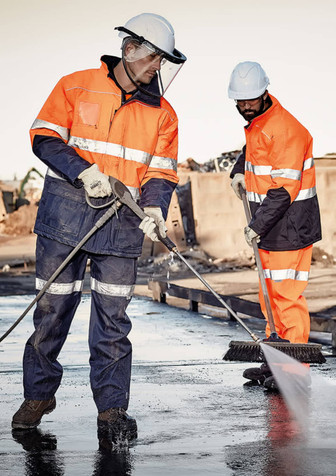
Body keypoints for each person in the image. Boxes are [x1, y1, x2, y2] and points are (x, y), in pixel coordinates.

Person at [12, 13, 186, 447]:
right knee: (52, 311)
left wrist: (155, 208)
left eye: (162, 62)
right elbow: (44, 137)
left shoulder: (164, 114)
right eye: (152, 58)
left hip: (123, 223)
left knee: (113, 322)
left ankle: (112, 410)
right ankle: (37, 396)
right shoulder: (76, 84)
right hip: (66, 217)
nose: (156, 68)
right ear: (129, 50)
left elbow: (161, 172)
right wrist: (83, 172)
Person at [228, 61, 321, 390]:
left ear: (265, 93)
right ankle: (274, 364)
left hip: (289, 228)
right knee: (269, 297)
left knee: (286, 296)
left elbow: (284, 190)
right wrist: (238, 170)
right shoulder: (260, 122)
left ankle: (294, 375)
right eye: (240, 102)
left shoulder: (286, 129)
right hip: (270, 228)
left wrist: (256, 225)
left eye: (250, 100)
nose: (245, 107)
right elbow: (251, 151)